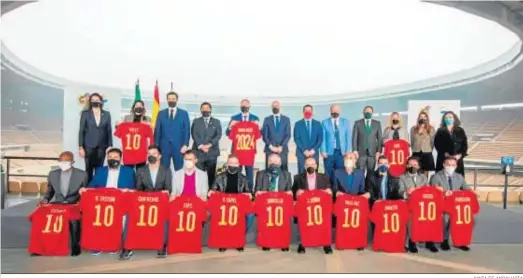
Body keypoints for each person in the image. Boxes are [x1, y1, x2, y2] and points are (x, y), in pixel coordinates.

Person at [83, 147, 135, 259]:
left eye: (116, 157)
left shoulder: (129, 171)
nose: (112, 159)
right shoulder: (101, 170)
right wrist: (85, 190)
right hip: (102, 202)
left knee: (118, 220)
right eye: (110, 157)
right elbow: (92, 186)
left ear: (121, 158)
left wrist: (127, 190)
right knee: (97, 218)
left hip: (120, 202)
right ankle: (97, 244)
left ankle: (113, 245)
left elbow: (134, 190)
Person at [40, 151, 88, 256]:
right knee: (43, 218)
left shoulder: (82, 174)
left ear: (73, 162)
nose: (63, 163)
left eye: (66, 161)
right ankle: (44, 246)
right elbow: (50, 190)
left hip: (73, 204)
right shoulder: (52, 174)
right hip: (58, 203)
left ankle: (76, 246)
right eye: (61, 160)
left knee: (74, 221)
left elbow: (84, 193)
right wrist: (46, 200)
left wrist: (80, 203)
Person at [209, 154, 252, 252]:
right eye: (231, 163)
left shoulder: (243, 178)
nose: (233, 165)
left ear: (239, 164)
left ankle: (238, 239)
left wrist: (249, 194)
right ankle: (223, 242)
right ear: (227, 163)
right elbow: (213, 190)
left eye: (235, 163)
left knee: (250, 216)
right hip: (223, 206)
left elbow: (248, 191)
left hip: (238, 206)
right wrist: (212, 192)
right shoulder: (219, 176)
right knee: (218, 216)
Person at [135, 145, 172, 258]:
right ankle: (129, 246)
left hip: (161, 203)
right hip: (145, 203)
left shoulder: (166, 170)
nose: (151, 156)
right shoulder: (141, 170)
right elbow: (138, 189)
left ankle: (163, 245)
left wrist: (160, 197)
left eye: (154, 153)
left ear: (160, 156)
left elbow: (168, 189)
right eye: (149, 153)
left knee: (165, 216)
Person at [429, 156, 472, 252]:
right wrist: (444, 192)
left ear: (456, 166)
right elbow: (433, 190)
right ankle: (444, 240)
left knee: (461, 221)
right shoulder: (436, 176)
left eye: (453, 165)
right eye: (448, 165)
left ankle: (460, 242)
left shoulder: (459, 176)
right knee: (446, 219)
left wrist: (473, 192)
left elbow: (466, 188)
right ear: (444, 165)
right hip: (442, 203)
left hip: (457, 204)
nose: (450, 167)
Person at [292, 157, 333, 254]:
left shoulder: (324, 177)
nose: (310, 166)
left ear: (316, 165)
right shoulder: (298, 178)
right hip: (305, 208)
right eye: (308, 164)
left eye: (312, 164)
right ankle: (302, 243)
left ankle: (326, 244)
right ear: (304, 166)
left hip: (320, 208)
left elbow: (330, 191)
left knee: (324, 223)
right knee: (303, 223)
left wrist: (328, 191)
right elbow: (293, 192)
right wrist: (297, 192)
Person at [78, 93, 113, 182]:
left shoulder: (106, 114)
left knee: (99, 170)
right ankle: (88, 190)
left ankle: (97, 190)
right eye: (93, 100)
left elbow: (109, 130)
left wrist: (110, 145)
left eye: (97, 100)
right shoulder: (85, 114)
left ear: (101, 101)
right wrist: (81, 147)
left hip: (102, 146)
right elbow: (81, 131)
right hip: (88, 146)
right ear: (90, 101)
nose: (95, 102)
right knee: (88, 170)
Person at [225, 99, 260, 185]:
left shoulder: (255, 118)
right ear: (240, 106)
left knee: (249, 172)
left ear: (249, 107)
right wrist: (230, 126)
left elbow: (258, 134)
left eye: (246, 106)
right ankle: (236, 190)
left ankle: (250, 192)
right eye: (242, 106)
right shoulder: (234, 118)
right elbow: (228, 133)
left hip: (249, 150)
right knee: (236, 171)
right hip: (237, 150)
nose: (244, 107)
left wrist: (258, 126)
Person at [398, 156, 429, 253]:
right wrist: (407, 192)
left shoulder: (423, 177)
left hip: (422, 204)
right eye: (410, 164)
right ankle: (412, 242)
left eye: (415, 165)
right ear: (407, 165)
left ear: (419, 166)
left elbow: (427, 190)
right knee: (411, 219)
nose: (412, 166)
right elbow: (400, 191)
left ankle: (427, 240)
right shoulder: (402, 177)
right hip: (408, 203)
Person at [154, 91, 191, 171]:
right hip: (163, 147)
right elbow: (157, 130)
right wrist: (156, 146)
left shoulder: (184, 113)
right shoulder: (161, 113)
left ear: (177, 100)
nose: (171, 100)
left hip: (179, 147)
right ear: (167, 100)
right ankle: (164, 184)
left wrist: (185, 144)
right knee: (163, 169)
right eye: (169, 99)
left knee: (180, 169)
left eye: (173, 99)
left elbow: (187, 130)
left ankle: (179, 183)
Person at [191, 102, 222, 186]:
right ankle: (198, 194)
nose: (205, 110)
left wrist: (209, 145)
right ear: (201, 110)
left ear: (210, 110)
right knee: (198, 175)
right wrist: (201, 146)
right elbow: (194, 134)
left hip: (212, 153)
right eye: (203, 109)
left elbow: (218, 135)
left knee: (211, 176)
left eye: (207, 108)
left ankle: (210, 194)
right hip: (198, 153)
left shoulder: (217, 122)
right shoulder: (196, 121)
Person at [321, 104, 352, 184]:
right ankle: (329, 192)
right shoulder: (324, 122)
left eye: (337, 110)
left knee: (340, 173)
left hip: (342, 153)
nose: (335, 112)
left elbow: (348, 137)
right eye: (333, 110)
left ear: (340, 111)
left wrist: (348, 150)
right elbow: (323, 138)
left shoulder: (345, 122)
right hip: (328, 153)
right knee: (328, 173)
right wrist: (323, 150)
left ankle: (339, 192)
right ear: (330, 111)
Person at [434, 111, 468, 176]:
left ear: (454, 119)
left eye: (450, 117)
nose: (448, 119)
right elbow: (437, 145)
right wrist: (446, 154)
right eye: (446, 118)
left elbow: (464, 145)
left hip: (457, 160)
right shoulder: (440, 130)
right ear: (444, 120)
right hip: (444, 159)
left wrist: (460, 155)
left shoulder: (460, 130)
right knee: (442, 180)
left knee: (457, 180)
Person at [352, 106, 383, 175]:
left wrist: (379, 151)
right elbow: (354, 138)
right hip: (360, 153)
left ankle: (369, 186)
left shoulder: (377, 124)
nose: (367, 113)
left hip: (372, 153)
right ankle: (361, 186)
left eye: (369, 112)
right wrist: (355, 150)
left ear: (372, 113)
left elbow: (380, 138)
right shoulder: (357, 123)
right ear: (363, 112)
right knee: (359, 173)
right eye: (366, 111)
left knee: (371, 174)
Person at [261, 101, 291, 171]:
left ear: (280, 107)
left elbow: (288, 135)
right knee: (268, 170)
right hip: (269, 149)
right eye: (273, 106)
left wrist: (281, 146)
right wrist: (271, 147)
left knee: (284, 171)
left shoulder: (286, 119)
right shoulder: (267, 119)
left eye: (277, 106)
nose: (275, 107)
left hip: (282, 150)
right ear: (271, 107)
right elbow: (265, 135)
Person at [293, 104, 323, 174]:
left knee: (314, 174)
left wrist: (313, 150)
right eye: (306, 110)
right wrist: (304, 150)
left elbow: (320, 139)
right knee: (301, 174)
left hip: (314, 153)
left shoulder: (318, 124)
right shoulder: (298, 124)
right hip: (301, 153)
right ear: (303, 112)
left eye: (309, 110)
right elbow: (296, 138)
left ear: (312, 112)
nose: (308, 112)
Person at [410, 111, 436, 175]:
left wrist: (428, 150)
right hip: (416, 153)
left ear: (427, 119)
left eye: (424, 117)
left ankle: (425, 184)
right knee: (415, 171)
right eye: (421, 117)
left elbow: (432, 142)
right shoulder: (413, 129)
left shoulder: (431, 128)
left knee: (425, 173)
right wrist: (415, 149)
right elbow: (412, 141)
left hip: (427, 153)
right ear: (418, 118)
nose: (423, 118)